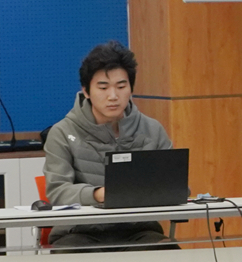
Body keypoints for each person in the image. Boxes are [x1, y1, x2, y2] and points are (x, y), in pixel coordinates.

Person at [42, 41, 175, 251]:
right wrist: (99, 194)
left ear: (131, 89)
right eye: (103, 88)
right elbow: (58, 191)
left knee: (167, 252)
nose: (113, 96)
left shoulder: (152, 129)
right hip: (79, 232)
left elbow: (174, 184)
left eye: (121, 87)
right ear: (86, 91)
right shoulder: (62, 133)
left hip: (139, 231)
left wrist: (173, 190)